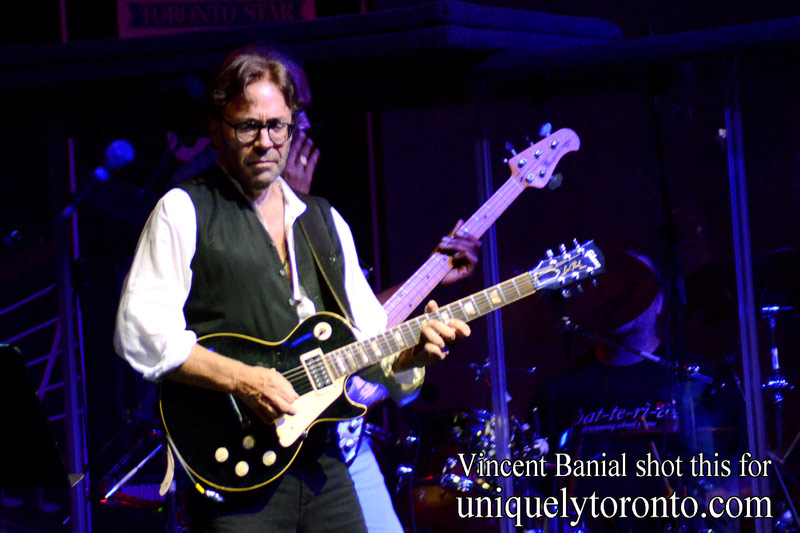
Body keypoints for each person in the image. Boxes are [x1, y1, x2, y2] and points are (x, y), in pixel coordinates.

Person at [114, 47, 471, 532]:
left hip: (322, 465)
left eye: (277, 126)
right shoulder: (184, 209)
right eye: (248, 126)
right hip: (236, 467)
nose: (265, 142)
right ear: (218, 129)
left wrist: (411, 356)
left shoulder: (323, 218)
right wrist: (244, 380)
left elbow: (368, 336)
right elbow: (142, 333)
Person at [533, 248, 738, 533]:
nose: (622, 298)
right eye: (613, 286)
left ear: (660, 301)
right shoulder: (560, 389)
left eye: (635, 286)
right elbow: (542, 486)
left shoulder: (699, 379)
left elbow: (743, 463)